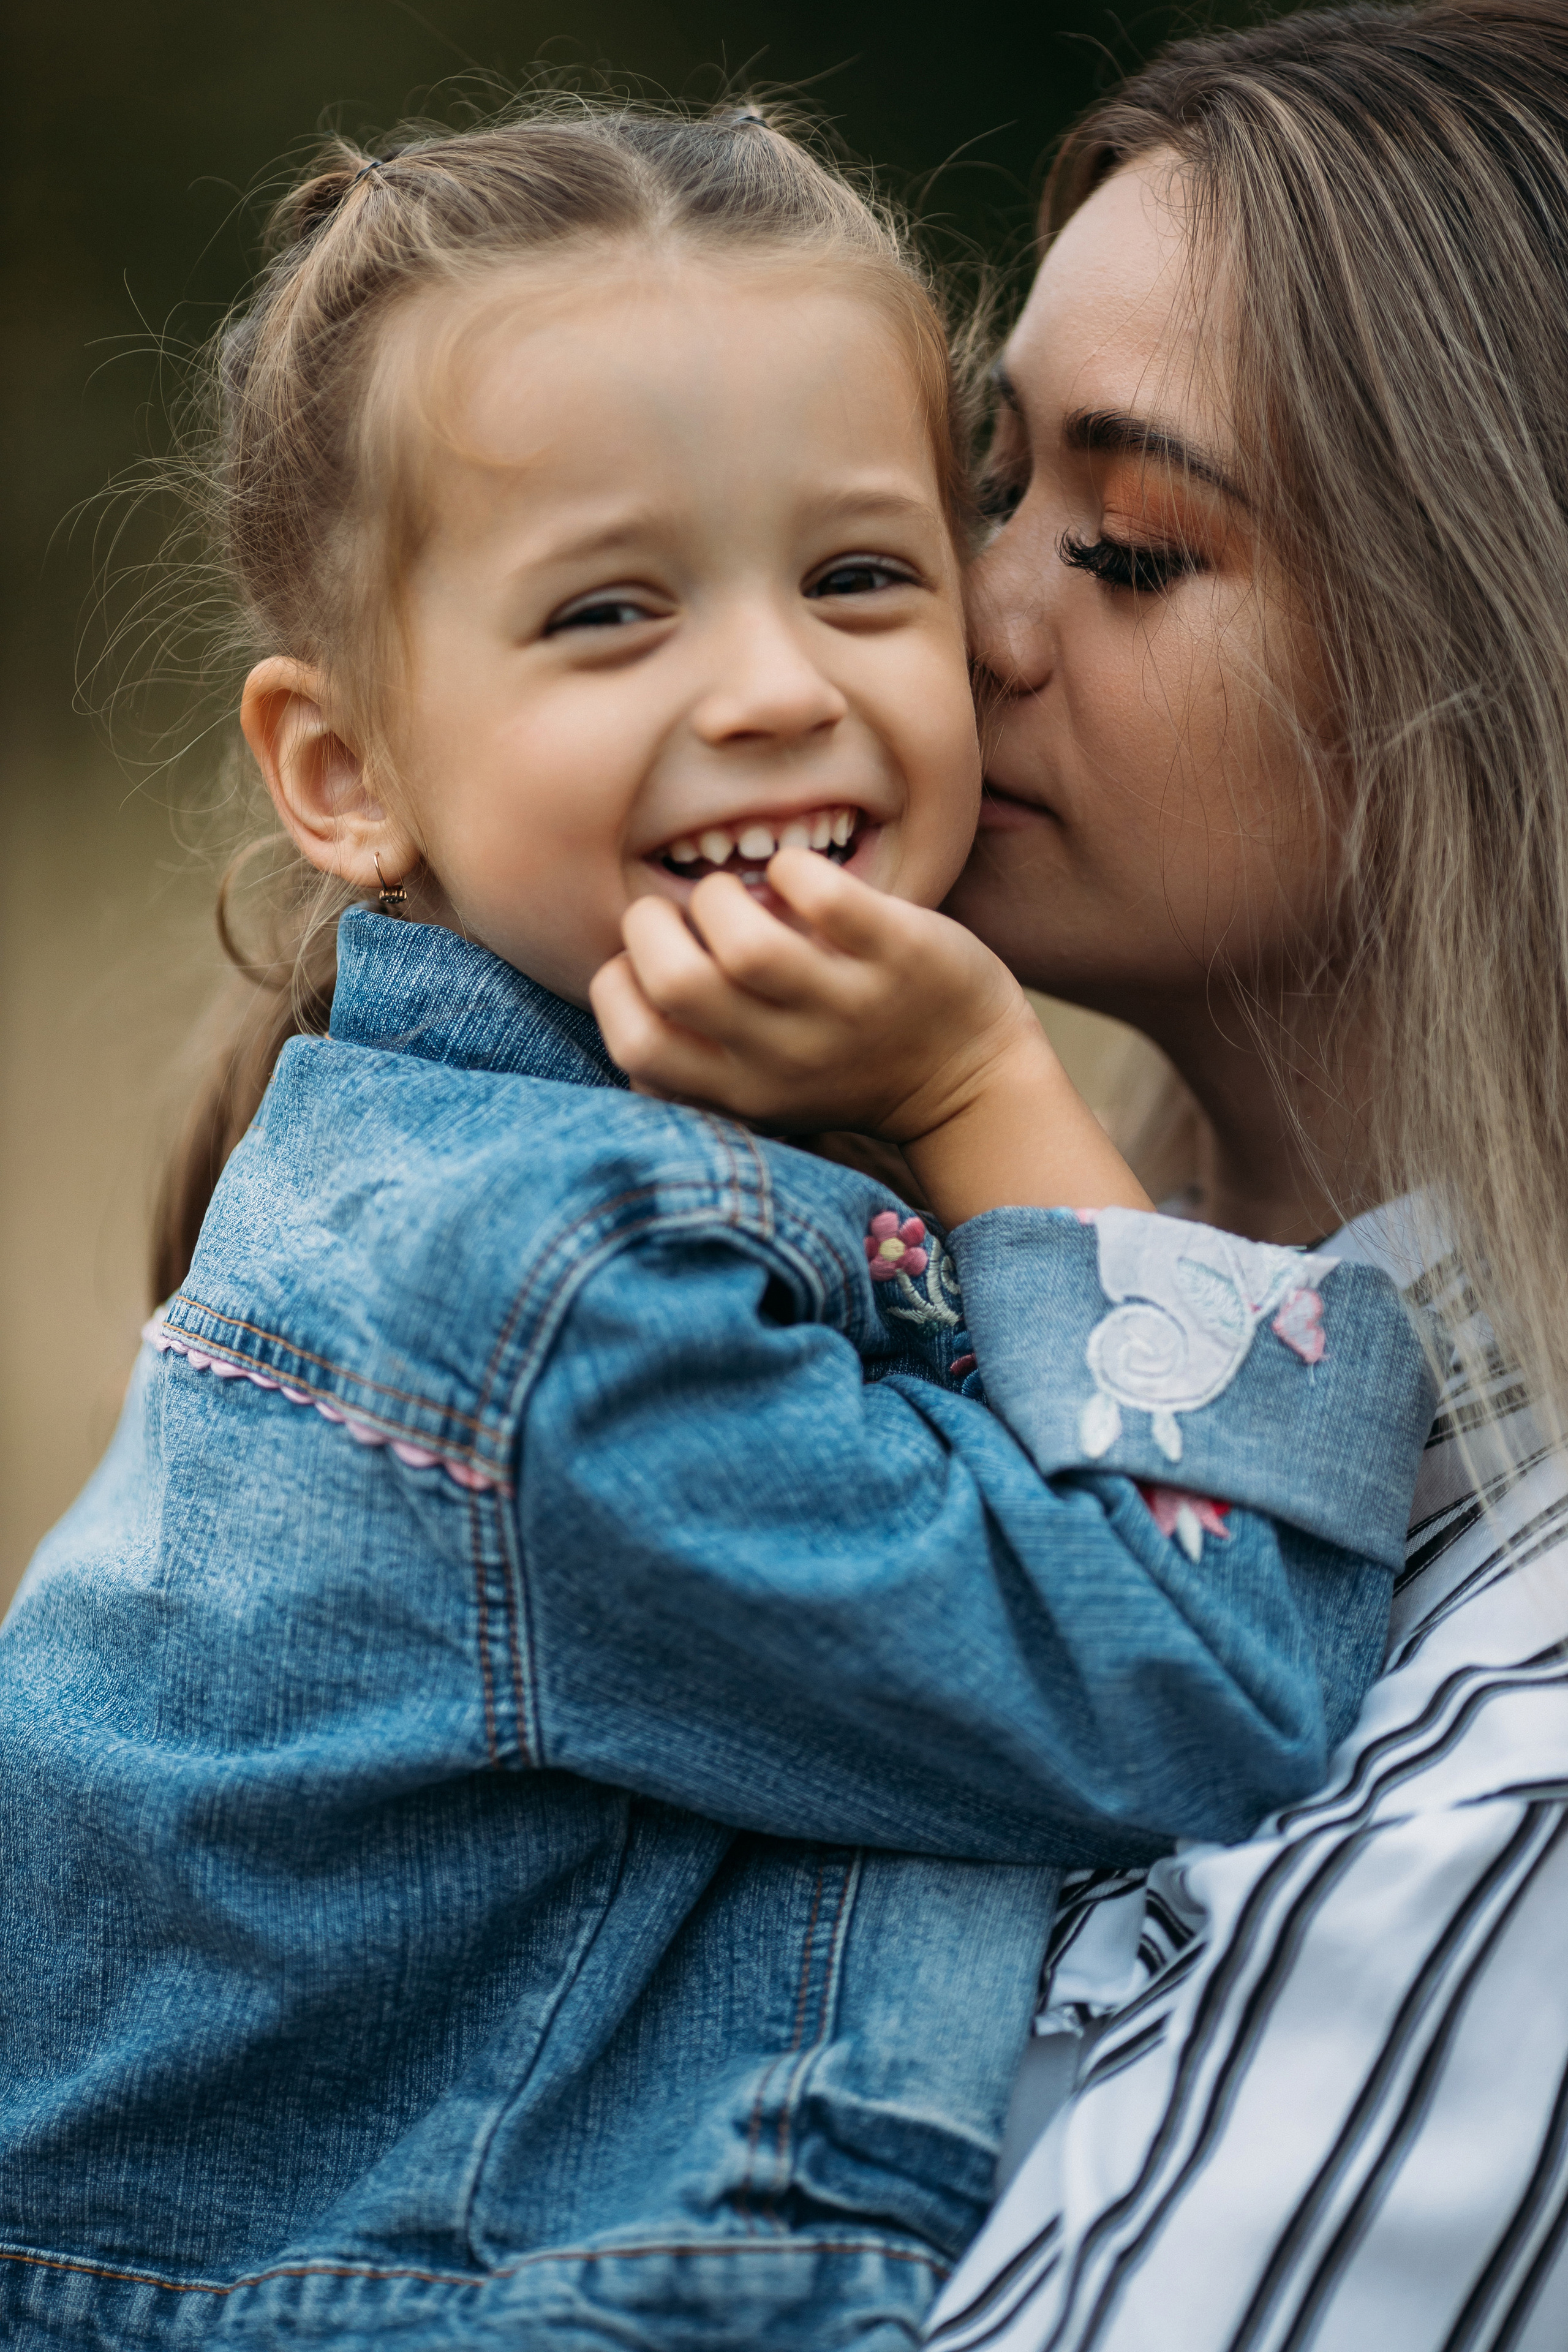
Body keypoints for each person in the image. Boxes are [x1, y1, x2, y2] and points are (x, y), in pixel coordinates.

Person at [0, 101, 1433, 2352]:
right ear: (345, 771)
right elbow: (1206, 1686)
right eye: (611, 612)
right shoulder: (565, 1298)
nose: (776, 687)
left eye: (862, 576)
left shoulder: (579, 1179)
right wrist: (981, 1089)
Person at [824, 6, 1568, 2345]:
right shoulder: (866, 1326)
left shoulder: (1525, 1762)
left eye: (1131, 546)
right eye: (988, 486)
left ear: (1502, 658)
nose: (971, 619)